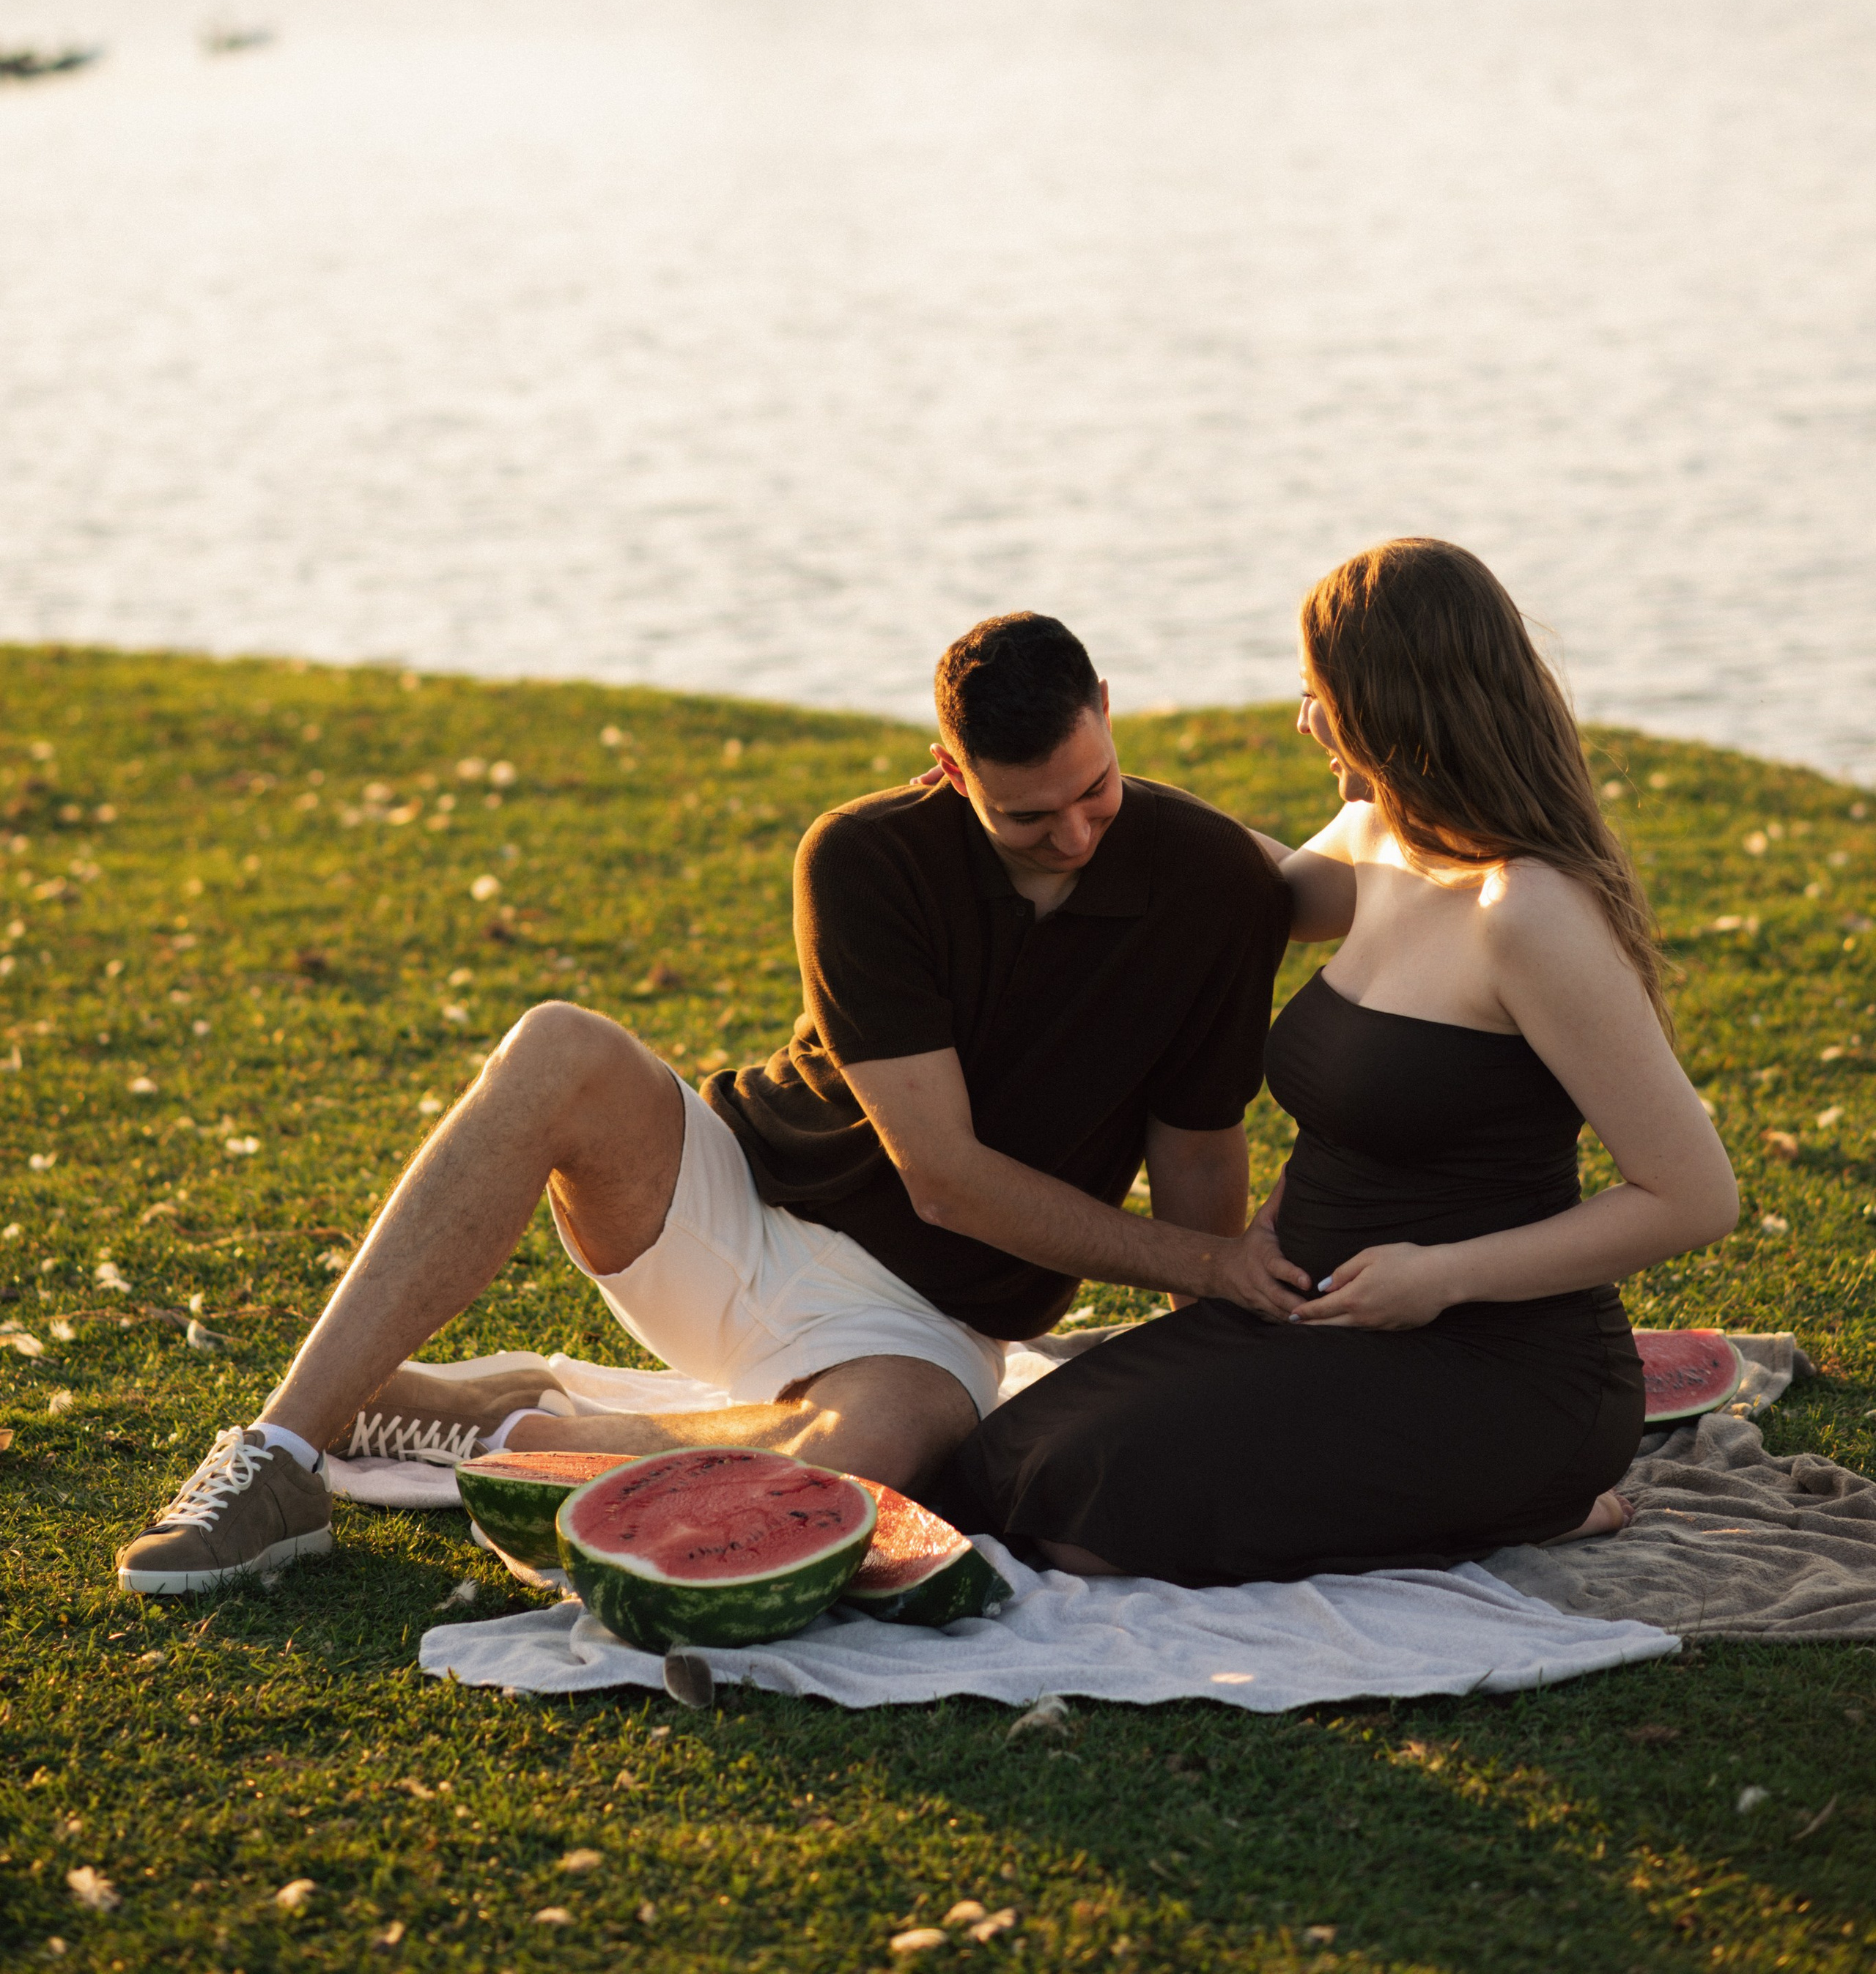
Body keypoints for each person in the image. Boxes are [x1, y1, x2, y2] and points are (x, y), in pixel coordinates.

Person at [117, 611, 1291, 1593]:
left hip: (923, 1327)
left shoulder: (1216, 890)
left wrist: (1212, 1300)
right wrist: (1209, 1268)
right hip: (737, 1206)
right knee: (559, 1046)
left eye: (1096, 789)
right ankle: (277, 1455)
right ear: (947, 771)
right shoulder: (865, 857)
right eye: (1029, 818)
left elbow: (1200, 1158)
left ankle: (495, 1423)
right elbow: (941, 1174)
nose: (1077, 832)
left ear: (1108, 707)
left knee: (875, 1459)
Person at [934, 541, 1740, 1586]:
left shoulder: (1530, 915)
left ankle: (1537, 1502)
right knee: (1009, 1466)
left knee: (1091, 1526)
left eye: (1320, 695)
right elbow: (1234, 879)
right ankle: (1485, 1503)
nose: (1304, 719)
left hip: (1497, 1367)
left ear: (1390, 707)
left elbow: (1695, 1197)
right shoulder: (1379, 838)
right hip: (1308, 1315)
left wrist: (1439, 1279)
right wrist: (1078, 793)